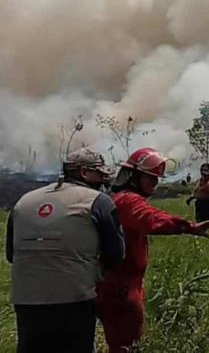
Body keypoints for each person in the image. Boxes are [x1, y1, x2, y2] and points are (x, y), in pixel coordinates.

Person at [96, 147, 209, 352]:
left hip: (118, 284)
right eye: (150, 179)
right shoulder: (128, 200)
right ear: (134, 176)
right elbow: (151, 219)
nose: (154, 185)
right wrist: (187, 227)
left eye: (157, 180)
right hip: (121, 288)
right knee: (127, 346)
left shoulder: (116, 197)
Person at [5, 148, 124, 353]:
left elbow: (11, 255)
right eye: (99, 173)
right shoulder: (98, 201)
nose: (104, 179)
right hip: (74, 298)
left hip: (26, 299)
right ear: (84, 173)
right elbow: (115, 255)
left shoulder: (23, 201)